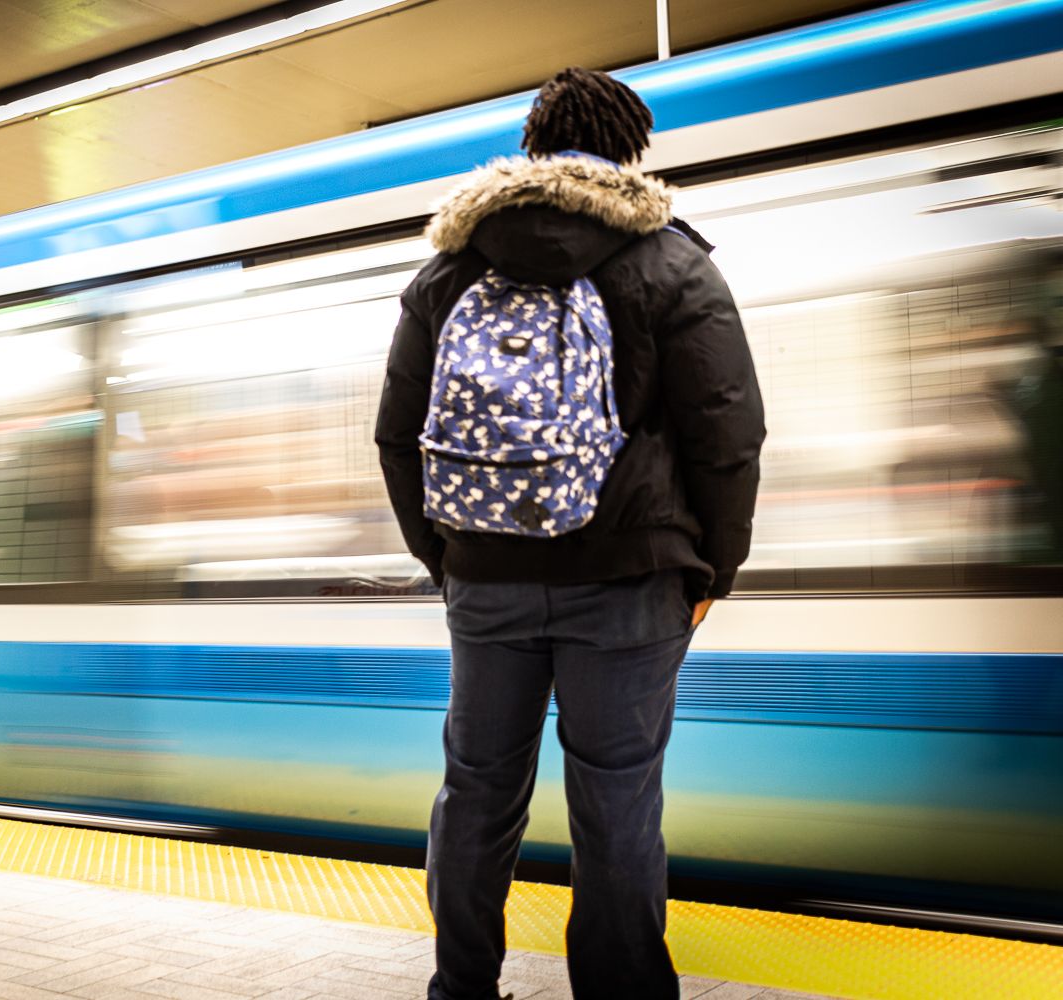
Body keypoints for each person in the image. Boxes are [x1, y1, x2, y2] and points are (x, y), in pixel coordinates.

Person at [375, 67, 765, 1000]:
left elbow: (396, 435)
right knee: (617, 801)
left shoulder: (449, 269)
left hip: (486, 576)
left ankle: (461, 986)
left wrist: (451, 559)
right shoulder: (673, 263)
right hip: (633, 576)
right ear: (629, 152)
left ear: (531, 147)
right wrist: (716, 568)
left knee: (476, 790)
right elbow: (727, 430)